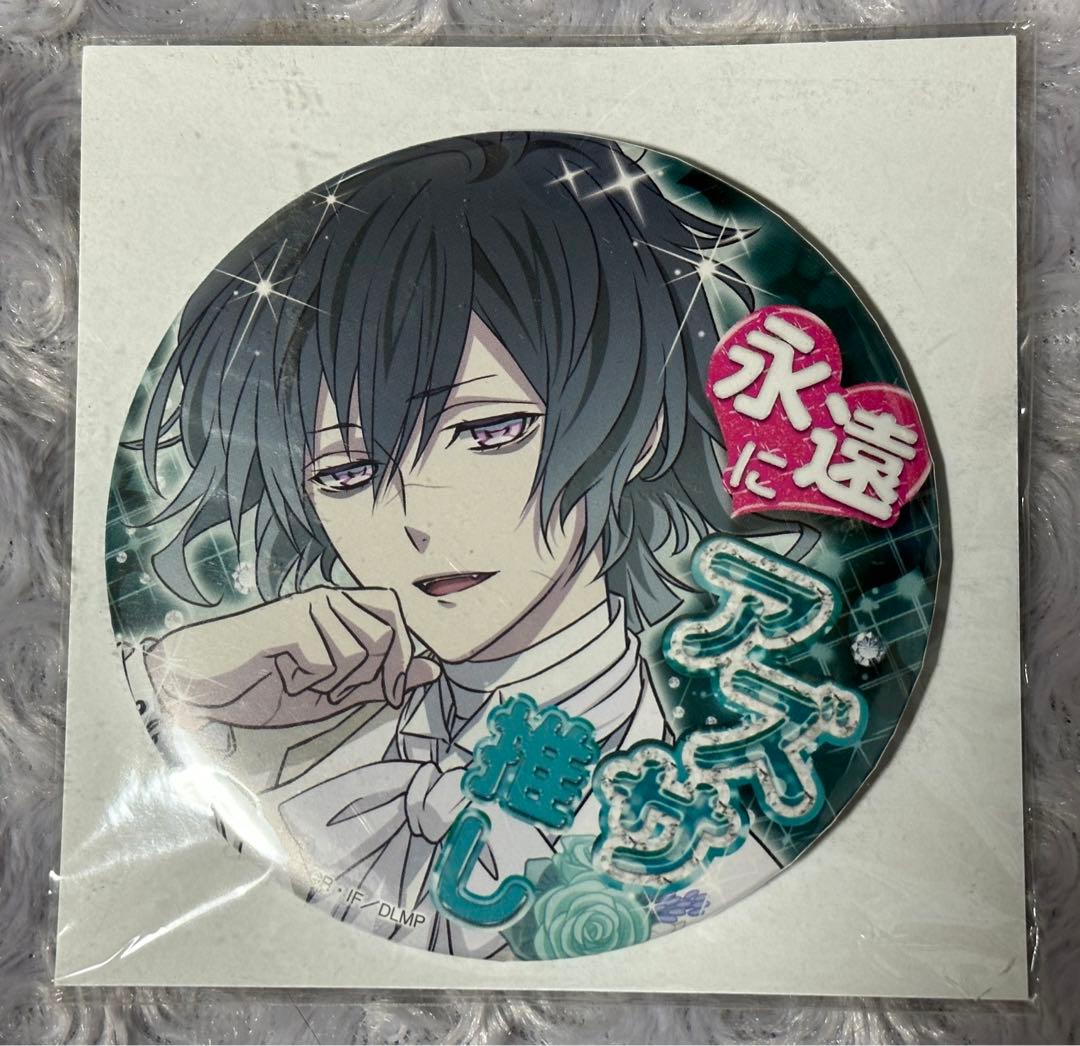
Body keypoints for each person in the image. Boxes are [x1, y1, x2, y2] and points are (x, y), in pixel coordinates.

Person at [124, 132, 807, 957]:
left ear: (640, 425)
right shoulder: (289, 744)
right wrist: (172, 687)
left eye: (490, 432)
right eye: (346, 473)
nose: (415, 518)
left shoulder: (696, 854)